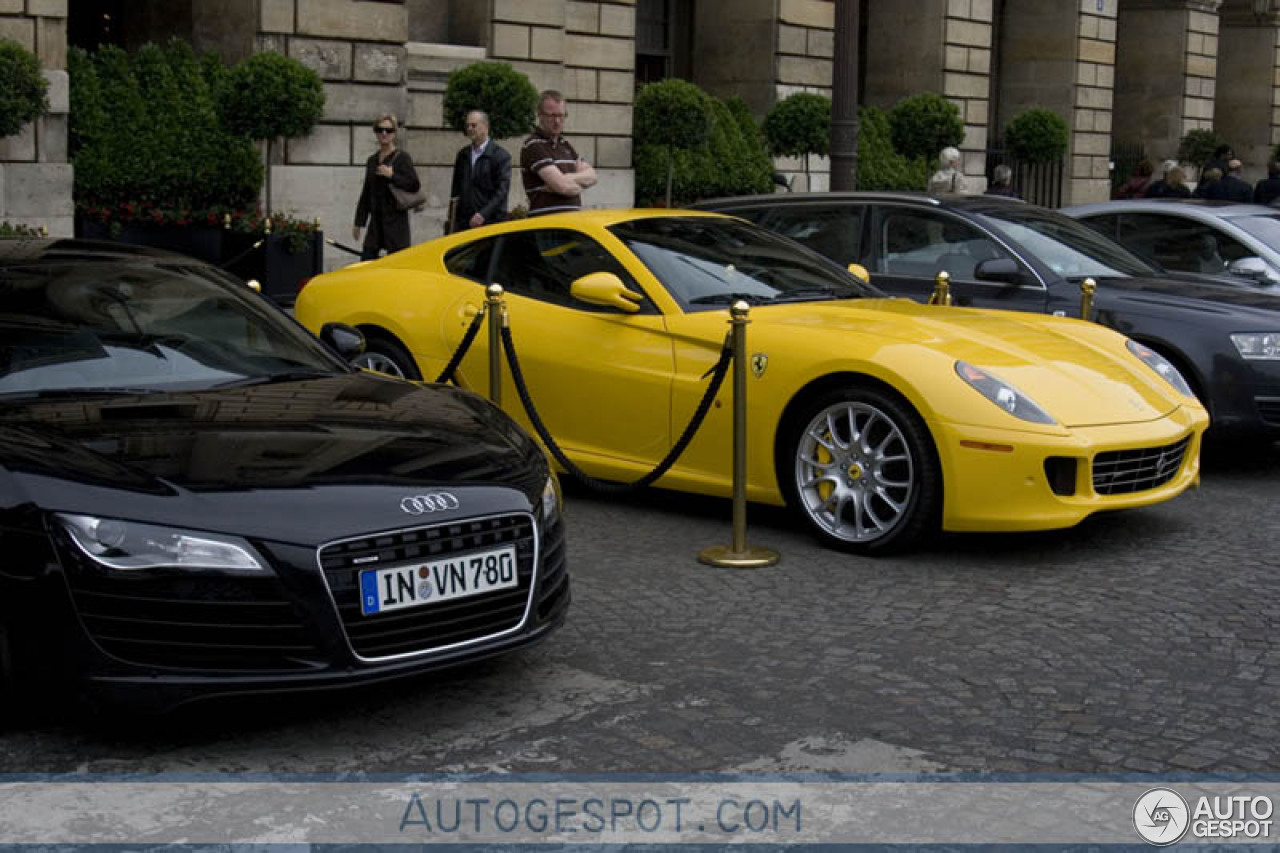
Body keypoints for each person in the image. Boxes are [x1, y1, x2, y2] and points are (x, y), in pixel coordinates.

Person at [352, 115, 421, 260]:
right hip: (376, 223)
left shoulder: (402, 158)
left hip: (396, 222)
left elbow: (414, 184)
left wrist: (392, 175)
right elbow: (366, 192)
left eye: (388, 130)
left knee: (397, 267)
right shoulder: (372, 160)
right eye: (380, 129)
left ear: (394, 134)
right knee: (367, 262)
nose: (384, 133)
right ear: (376, 132)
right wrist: (359, 222)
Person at [520, 90, 597, 215]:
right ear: (540, 115)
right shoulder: (534, 145)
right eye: (552, 116)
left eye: (561, 115)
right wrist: (580, 184)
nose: (557, 121)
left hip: (572, 223)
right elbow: (563, 187)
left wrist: (567, 178)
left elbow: (593, 176)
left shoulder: (566, 145)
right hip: (548, 225)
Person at [447, 110, 511, 232]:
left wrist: (483, 214)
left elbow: (502, 191)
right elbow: (456, 189)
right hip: (465, 222)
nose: (470, 129)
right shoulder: (463, 155)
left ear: (486, 127)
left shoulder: (500, 156)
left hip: (491, 222)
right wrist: (452, 218)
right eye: (467, 125)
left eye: (474, 125)